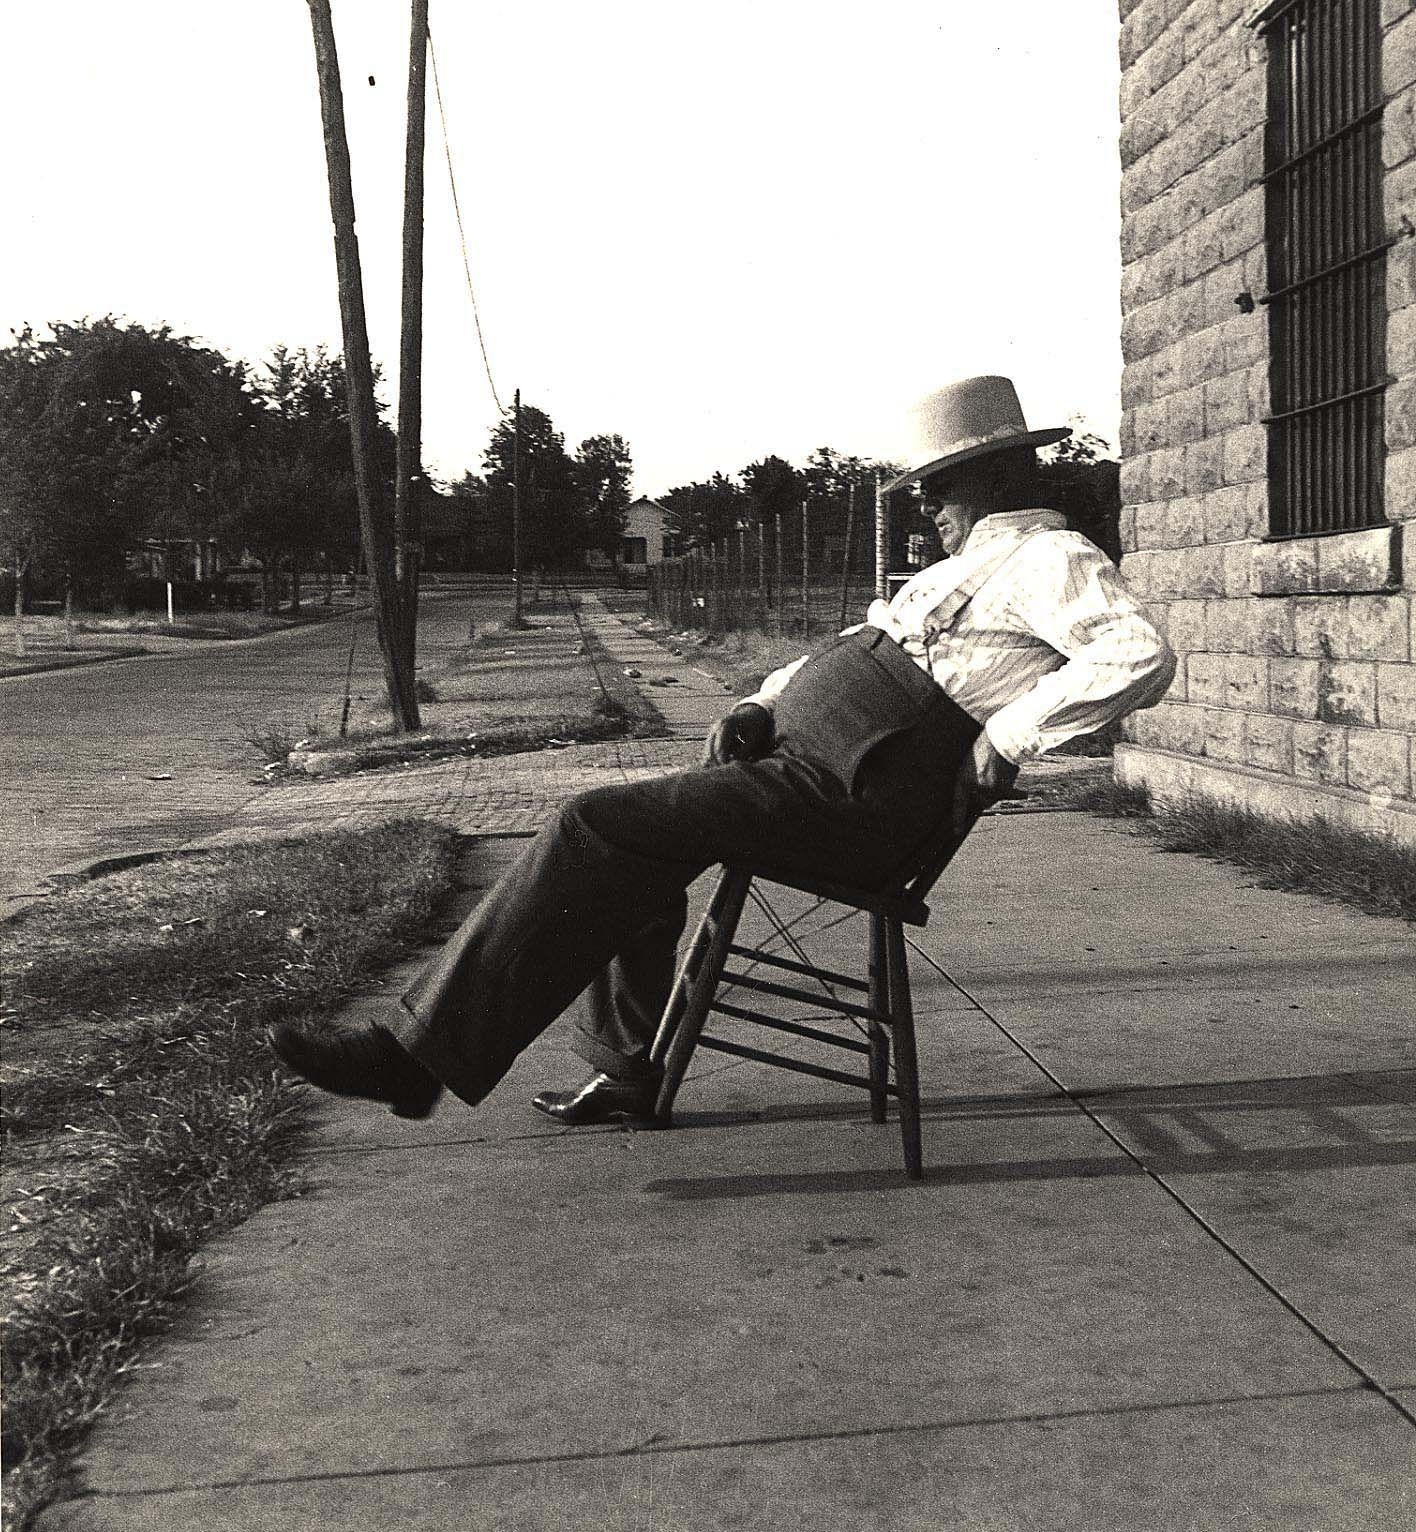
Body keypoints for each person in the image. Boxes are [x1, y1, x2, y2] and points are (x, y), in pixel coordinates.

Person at [271, 375, 1176, 1125]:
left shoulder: (1051, 558)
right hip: (804, 767)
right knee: (637, 838)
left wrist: (1008, 740)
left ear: (998, 473)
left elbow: (1138, 651)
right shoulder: (961, 566)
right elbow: (852, 657)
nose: (927, 502)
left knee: (596, 823)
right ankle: (618, 1068)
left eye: (940, 483)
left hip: (855, 798)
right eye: (925, 486)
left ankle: (412, 1056)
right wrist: (757, 702)